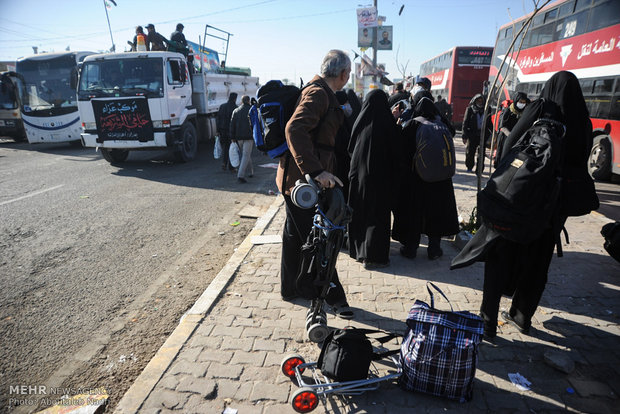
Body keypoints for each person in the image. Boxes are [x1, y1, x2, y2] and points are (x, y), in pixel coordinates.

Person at [451, 71, 599, 340]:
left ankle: (487, 320)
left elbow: (510, 144)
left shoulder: (541, 109)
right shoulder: (583, 122)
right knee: (539, 260)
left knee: (501, 255)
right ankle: (522, 315)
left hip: (523, 201)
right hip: (555, 207)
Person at [277, 49, 353, 319]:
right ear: (343, 74)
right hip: (303, 185)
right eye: (349, 72)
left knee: (295, 236)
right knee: (319, 241)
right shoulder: (318, 93)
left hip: (298, 182)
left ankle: (291, 288)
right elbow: (294, 129)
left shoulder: (320, 91)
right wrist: (316, 171)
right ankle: (332, 296)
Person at [392, 91, 459, 260]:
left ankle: (410, 249)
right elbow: (452, 133)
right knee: (435, 215)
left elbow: (403, 152)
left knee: (414, 215)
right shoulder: (440, 123)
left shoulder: (413, 125)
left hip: (417, 180)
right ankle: (434, 250)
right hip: (442, 181)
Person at [347, 90, 400, 269]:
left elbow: (350, 148)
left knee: (361, 213)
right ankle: (376, 256)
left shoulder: (360, 123)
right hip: (382, 180)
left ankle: (359, 252)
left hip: (359, 179)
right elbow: (397, 155)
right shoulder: (389, 124)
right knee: (379, 216)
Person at [495, 91, 530, 166]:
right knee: (504, 156)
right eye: (520, 102)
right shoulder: (508, 111)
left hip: (519, 139)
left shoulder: (525, 112)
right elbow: (502, 126)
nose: (522, 104)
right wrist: (511, 135)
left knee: (517, 159)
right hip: (506, 137)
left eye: (524, 102)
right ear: (516, 100)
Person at [462, 93, 491, 172]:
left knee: (481, 153)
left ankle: (479, 169)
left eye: (481, 101)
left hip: (482, 135)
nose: (480, 102)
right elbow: (465, 122)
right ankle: (469, 166)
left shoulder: (487, 109)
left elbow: (490, 123)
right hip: (472, 134)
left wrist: (492, 135)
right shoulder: (470, 109)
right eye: (478, 100)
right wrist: (464, 136)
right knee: (470, 152)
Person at [229, 95, 254, 183]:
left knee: (246, 154)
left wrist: (232, 137)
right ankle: (240, 175)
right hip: (249, 136)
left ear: (241, 101)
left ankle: (251, 172)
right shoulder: (252, 109)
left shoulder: (235, 111)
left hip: (238, 137)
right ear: (249, 101)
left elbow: (232, 125)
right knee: (246, 155)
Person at [216, 92, 238, 171]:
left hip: (222, 130)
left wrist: (218, 130)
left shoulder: (222, 106)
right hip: (231, 131)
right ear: (235, 98)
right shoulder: (235, 108)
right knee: (232, 149)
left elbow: (218, 119)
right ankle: (231, 167)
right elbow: (235, 122)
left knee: (225, 147)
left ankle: (224, 163)